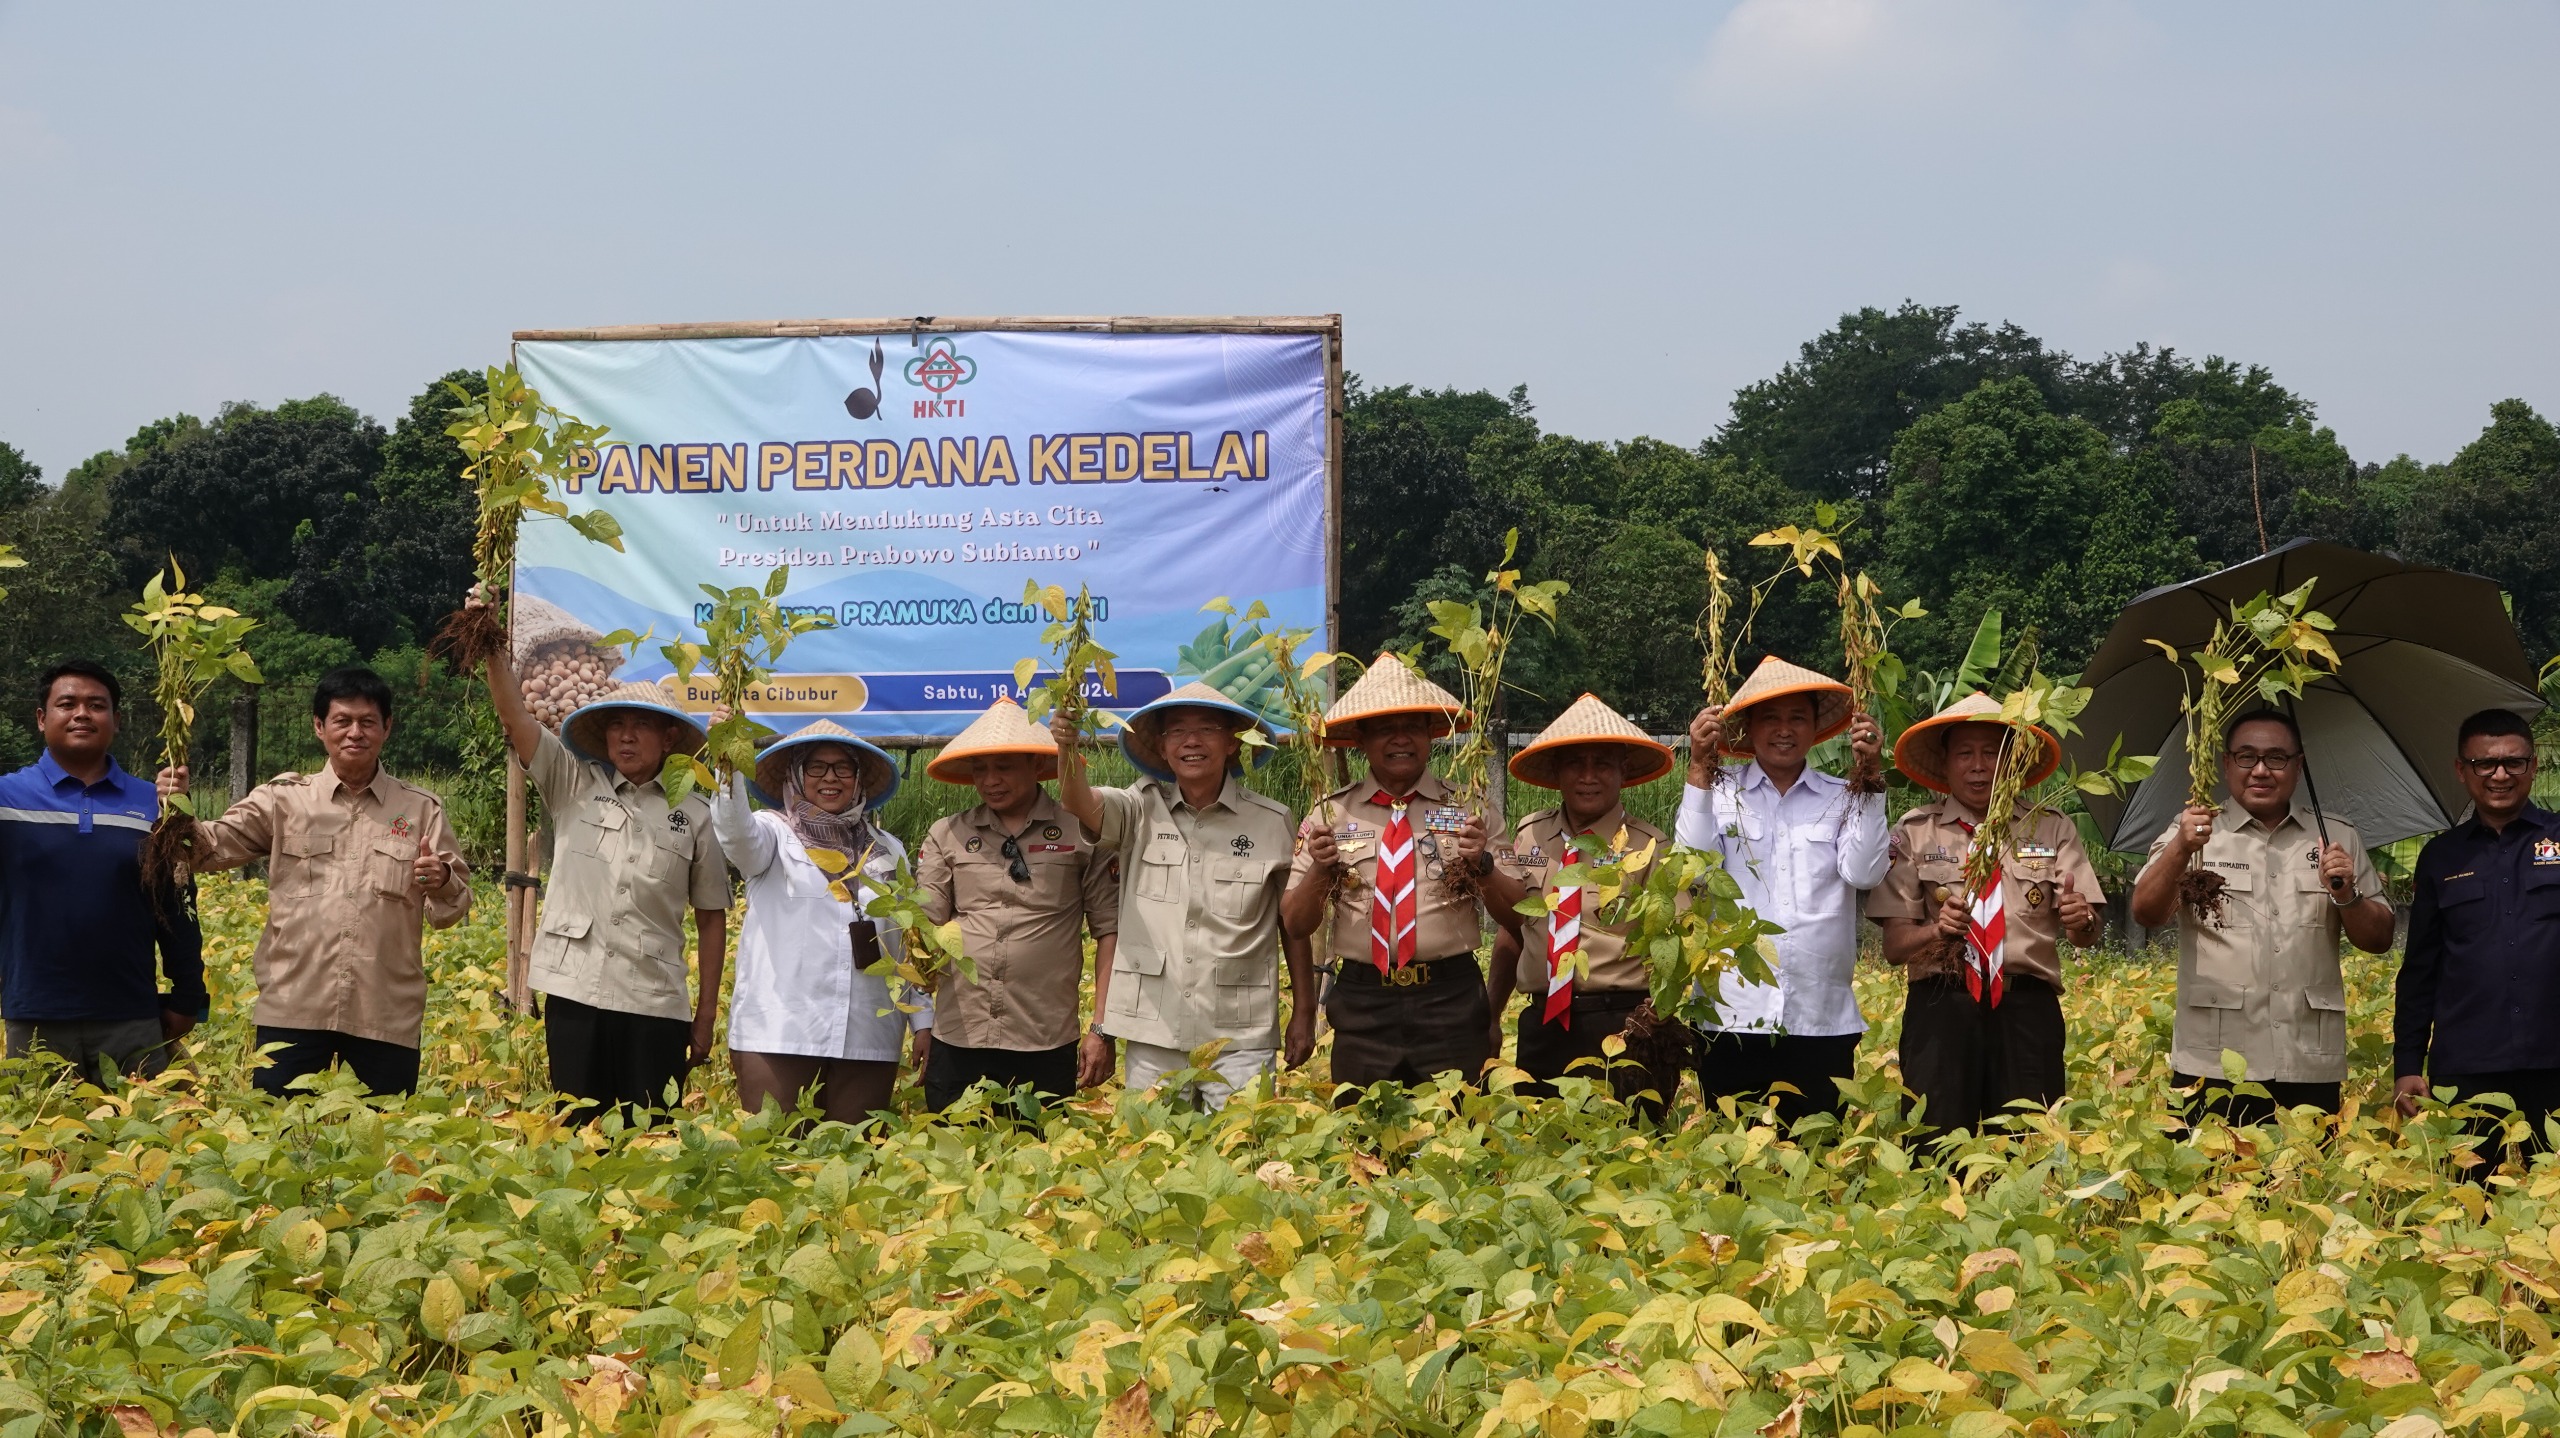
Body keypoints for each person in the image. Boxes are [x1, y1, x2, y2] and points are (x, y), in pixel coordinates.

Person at [159, 666, 469, 1097]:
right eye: (343, 721)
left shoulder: (421, 810)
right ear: (319, 727)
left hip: (385, 1012)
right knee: (280, 1129)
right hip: (293, 1005)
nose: (355, 733)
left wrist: (442, 878)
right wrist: (176, 808)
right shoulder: (283, 800)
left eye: (368, 721)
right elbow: (207, 851)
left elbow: (452, 908)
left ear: (387, 727)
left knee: (383, 1133)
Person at [479, 609, 728, 1121]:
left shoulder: (695, 814)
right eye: (617, 725)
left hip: (655, 1003)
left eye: (641, 725)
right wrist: (489, 646)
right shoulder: (572, 782)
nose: (626, 736)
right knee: (576, 1130)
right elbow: (515, 719)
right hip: (575, 993)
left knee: (650, 1139)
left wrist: (704, 1016)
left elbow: (711, 918)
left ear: (669, 739)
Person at [1048, 681, 1316, 1109]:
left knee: (1241, 1142)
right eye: (1177, 731)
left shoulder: (1271, 820)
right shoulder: (1139, 808)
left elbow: (1292, 925)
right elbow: (1079, 801)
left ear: (1232, 742)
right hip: (1155, 1028)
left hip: (1239, 1035)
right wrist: (1067, 746)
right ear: (1162, 746)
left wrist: (1304, 1011)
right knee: (1153, 1143)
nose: (1192, 741)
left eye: (1207, 728)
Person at [2130, 711, 2392, 1123]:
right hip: (2213, 1060)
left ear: (2299, 765)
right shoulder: (2194, 834)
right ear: (2226, 763)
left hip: (2307, 1060)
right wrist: (2180, 848)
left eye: (2276, 758)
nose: (2260, 770)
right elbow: (2146, 912)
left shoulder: (2336, 838)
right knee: (2206, 1165)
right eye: (2247, 756)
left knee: (2307, 1165)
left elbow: (2379, 939)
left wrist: (2346, 894)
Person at [1870, 692, 2101, 1134]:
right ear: (1945, 764)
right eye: (1965, 754)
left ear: (2012, 762)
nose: (1978, 766)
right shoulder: (1915, 832)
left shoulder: (2051, 826)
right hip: (1941, 1008)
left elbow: (2086, 933)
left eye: (1992, 753)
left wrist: (2082, 919)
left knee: (2027, 1144)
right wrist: (1937, 931)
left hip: (2027, 1009)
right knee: (1933, 1143)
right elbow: (1894, 947)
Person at [1675, 655, 1888, 1126]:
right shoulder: (1719, 792)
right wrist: (1698, 768)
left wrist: (1871, 779)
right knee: (1730, 1154)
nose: (1784, 730)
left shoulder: (1842, 795)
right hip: (1731, 1012)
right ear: (1749, 728)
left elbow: (1866, 873)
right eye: (1770, 718)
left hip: (1820, 1015)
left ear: (1815, 729)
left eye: (1797, 718)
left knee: (1815, 1153)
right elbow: (1691, 867)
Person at [1281, 654, 1494, 1095]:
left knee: (1457, 1130)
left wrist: (1482, 864)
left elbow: (1517, 918)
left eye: (1412, 726)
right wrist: (1321, 868)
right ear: (1360, 739)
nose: (1400, 739)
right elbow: (1296, 923)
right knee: (1361, 1129)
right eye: (1384, 728)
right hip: (1363, 1004)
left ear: (1431, 733)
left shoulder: (1469, 809)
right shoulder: (1329, 815)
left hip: (1451, 1001)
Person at [0, 660, 205, 1086]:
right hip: (35, 1016)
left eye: (96, 705)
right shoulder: (6, 799)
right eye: (67, 704)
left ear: (117, 720)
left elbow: (177, 903)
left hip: (131, 1017)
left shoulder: (155, 803)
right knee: (43, 1129)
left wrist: (188, 996)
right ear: (41, 718)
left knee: (145, 1126)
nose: (81, 714)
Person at [712, 718, 926, 1122]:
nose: (830, 778)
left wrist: (923, 1021)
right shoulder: (772, 835)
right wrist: (728, 762)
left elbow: (909, 940)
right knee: (774, 1151)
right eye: (816, 767)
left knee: (856, 1155)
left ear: (858, 779)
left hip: (867, 1034)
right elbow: (734, 832)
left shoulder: (888, 849)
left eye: (843, 767)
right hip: (780, 1032)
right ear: (795, 775)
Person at [915, 697, 1118, 1109]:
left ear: (1034, 764)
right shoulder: (947, 834)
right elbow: (922, 930)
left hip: (1044, 1036)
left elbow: (1110, 931)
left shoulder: (1081, 832)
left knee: (1041, 1147)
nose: (990, 780)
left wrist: (1102, 1028)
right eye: (980, 769)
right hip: (959, 1033)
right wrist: (919, 1018)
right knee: (949, 1144)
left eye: (1004, 766)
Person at [1484, 693, 1680, 1113]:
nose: (1588, 776)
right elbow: (1514, 930)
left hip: (1622, 1027)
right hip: (1544, 1027)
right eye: (1575, 763)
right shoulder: (1531, 835)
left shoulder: (1649, 847)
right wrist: (1490, 1015)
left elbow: (1674, 943)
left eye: (1602, 764)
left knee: (1628, 1144)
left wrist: (1658, 1018)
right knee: (1541, 1139)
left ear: (1623, 771)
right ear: (1557, 771)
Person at [2393, 707, 2560, 1142]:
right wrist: (2407, 1062)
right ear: (2461, 770)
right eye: (2484, 763)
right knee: (2469, 1183)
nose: (2499, 775)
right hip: (2467, 1066)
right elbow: (2421, 969)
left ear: (2533, 766)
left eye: (2513, 762)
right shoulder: (2440, 857)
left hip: (2555, 1057)